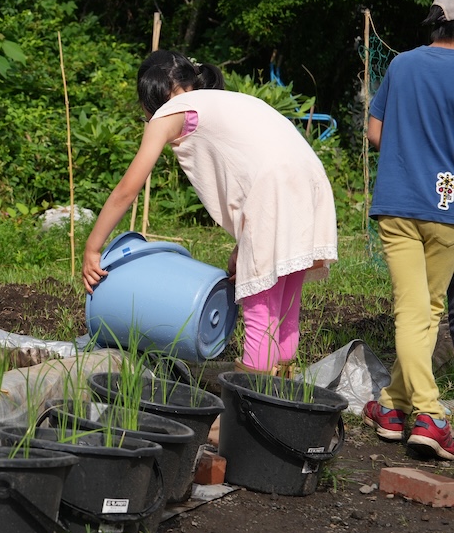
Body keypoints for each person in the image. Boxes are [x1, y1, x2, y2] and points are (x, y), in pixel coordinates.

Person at [82, 50, 338, 375]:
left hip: (273, 190)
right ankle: (282, 399)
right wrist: (242, 246)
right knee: (285, 304)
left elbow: (127, 189)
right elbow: (261, 164)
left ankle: (246, 414)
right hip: (309, 179)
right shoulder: (226, 101)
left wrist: (93, 247)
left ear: (149, 96)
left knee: (259, 306)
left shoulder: (169, 112)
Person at [362, 0, 454, 460]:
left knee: (416, 311)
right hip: (448, 207)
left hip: (397, 202)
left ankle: (393, 407)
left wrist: (410, 149)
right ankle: (433, 416)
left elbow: (375, 131)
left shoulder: (402, 63)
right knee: (427, 310)